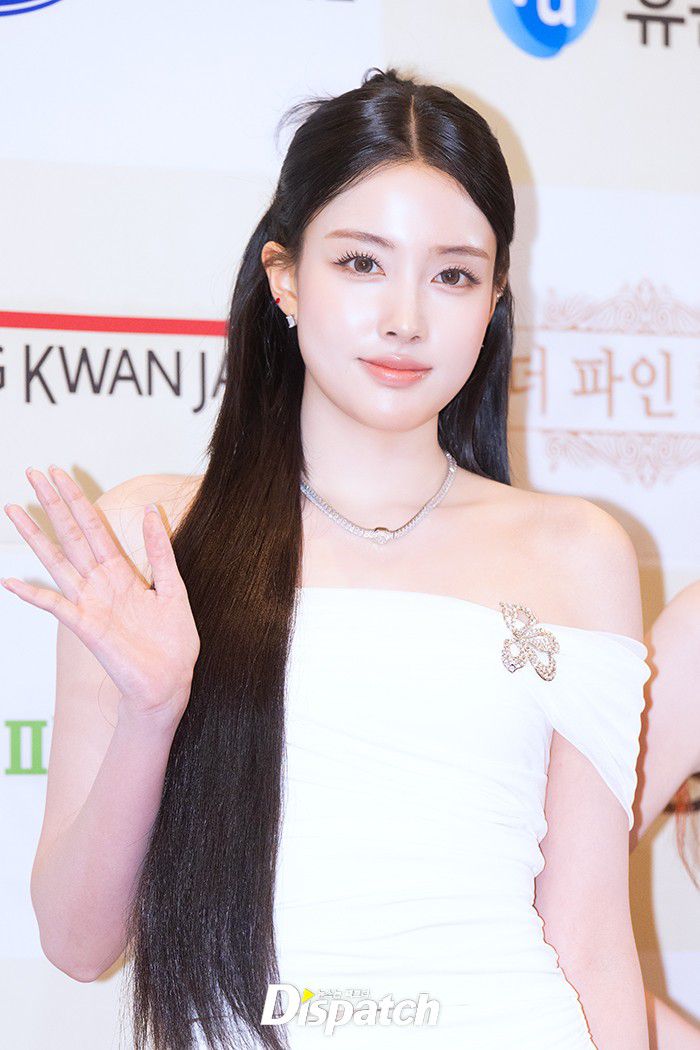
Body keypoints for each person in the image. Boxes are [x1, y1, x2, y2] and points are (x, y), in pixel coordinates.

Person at [0, 67, 668, 1048]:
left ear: (494, 299)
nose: (406, 316)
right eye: (361, 262)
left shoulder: (576, 552)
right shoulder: (155, 536)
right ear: (284, 276)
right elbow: (76, 940)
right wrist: (153, 713)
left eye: (453, 275)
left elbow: (593, 942)